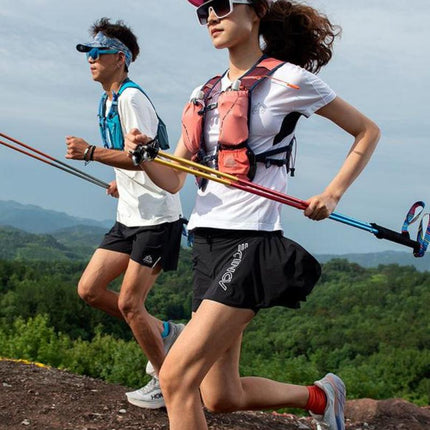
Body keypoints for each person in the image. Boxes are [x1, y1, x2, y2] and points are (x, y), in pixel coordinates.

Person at [125, 1, 380, 429]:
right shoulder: (202, 93)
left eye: (221, 5)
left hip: (252, 241)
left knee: (175, 378)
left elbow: (366, 131)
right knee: (221, 394)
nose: (211, 16)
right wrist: (145, 154)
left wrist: (332, 194)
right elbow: (173, 179)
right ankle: (320, 395)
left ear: (256, 11)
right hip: (205, 243)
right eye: (203, 10)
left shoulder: (289, 79)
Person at [65, 18, 185, 409]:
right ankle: (166, 331)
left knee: (131, 304)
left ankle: (168, 383)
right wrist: (121, 179)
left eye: (97, 53)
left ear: (120, 57)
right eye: (88, 54)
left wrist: (91, 153)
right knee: (90, 290)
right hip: (130, 215)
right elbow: (133, 160)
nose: (91, 60)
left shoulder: (132, 98)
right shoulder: (108, 99)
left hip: (157, 219)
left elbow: (144, 156)